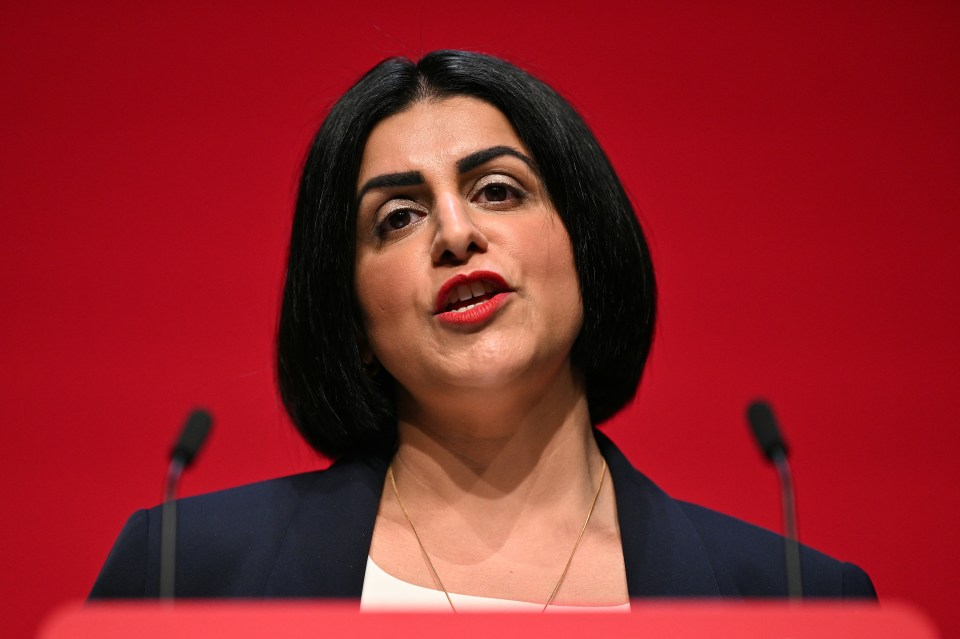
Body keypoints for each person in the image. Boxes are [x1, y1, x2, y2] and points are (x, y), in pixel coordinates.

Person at [90, 50, 875, 609]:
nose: (455, 234)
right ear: (353, 317)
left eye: (498, 190)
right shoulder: (178, 573)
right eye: (397, 217)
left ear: (585, 249)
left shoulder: (797, 604)